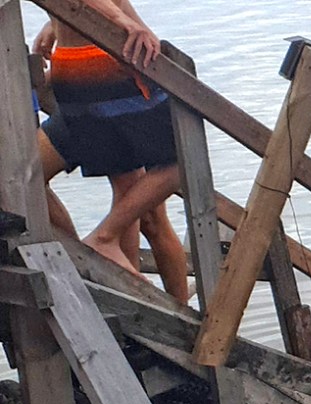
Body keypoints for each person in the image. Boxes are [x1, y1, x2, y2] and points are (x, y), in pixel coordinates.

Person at [31, 1, 189, 304]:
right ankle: (91, 252)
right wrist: (118, 20)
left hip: (91, 69)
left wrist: (58, 21)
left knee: (138, 200)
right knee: (179, 162)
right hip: (99, 73)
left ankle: (141, 297)